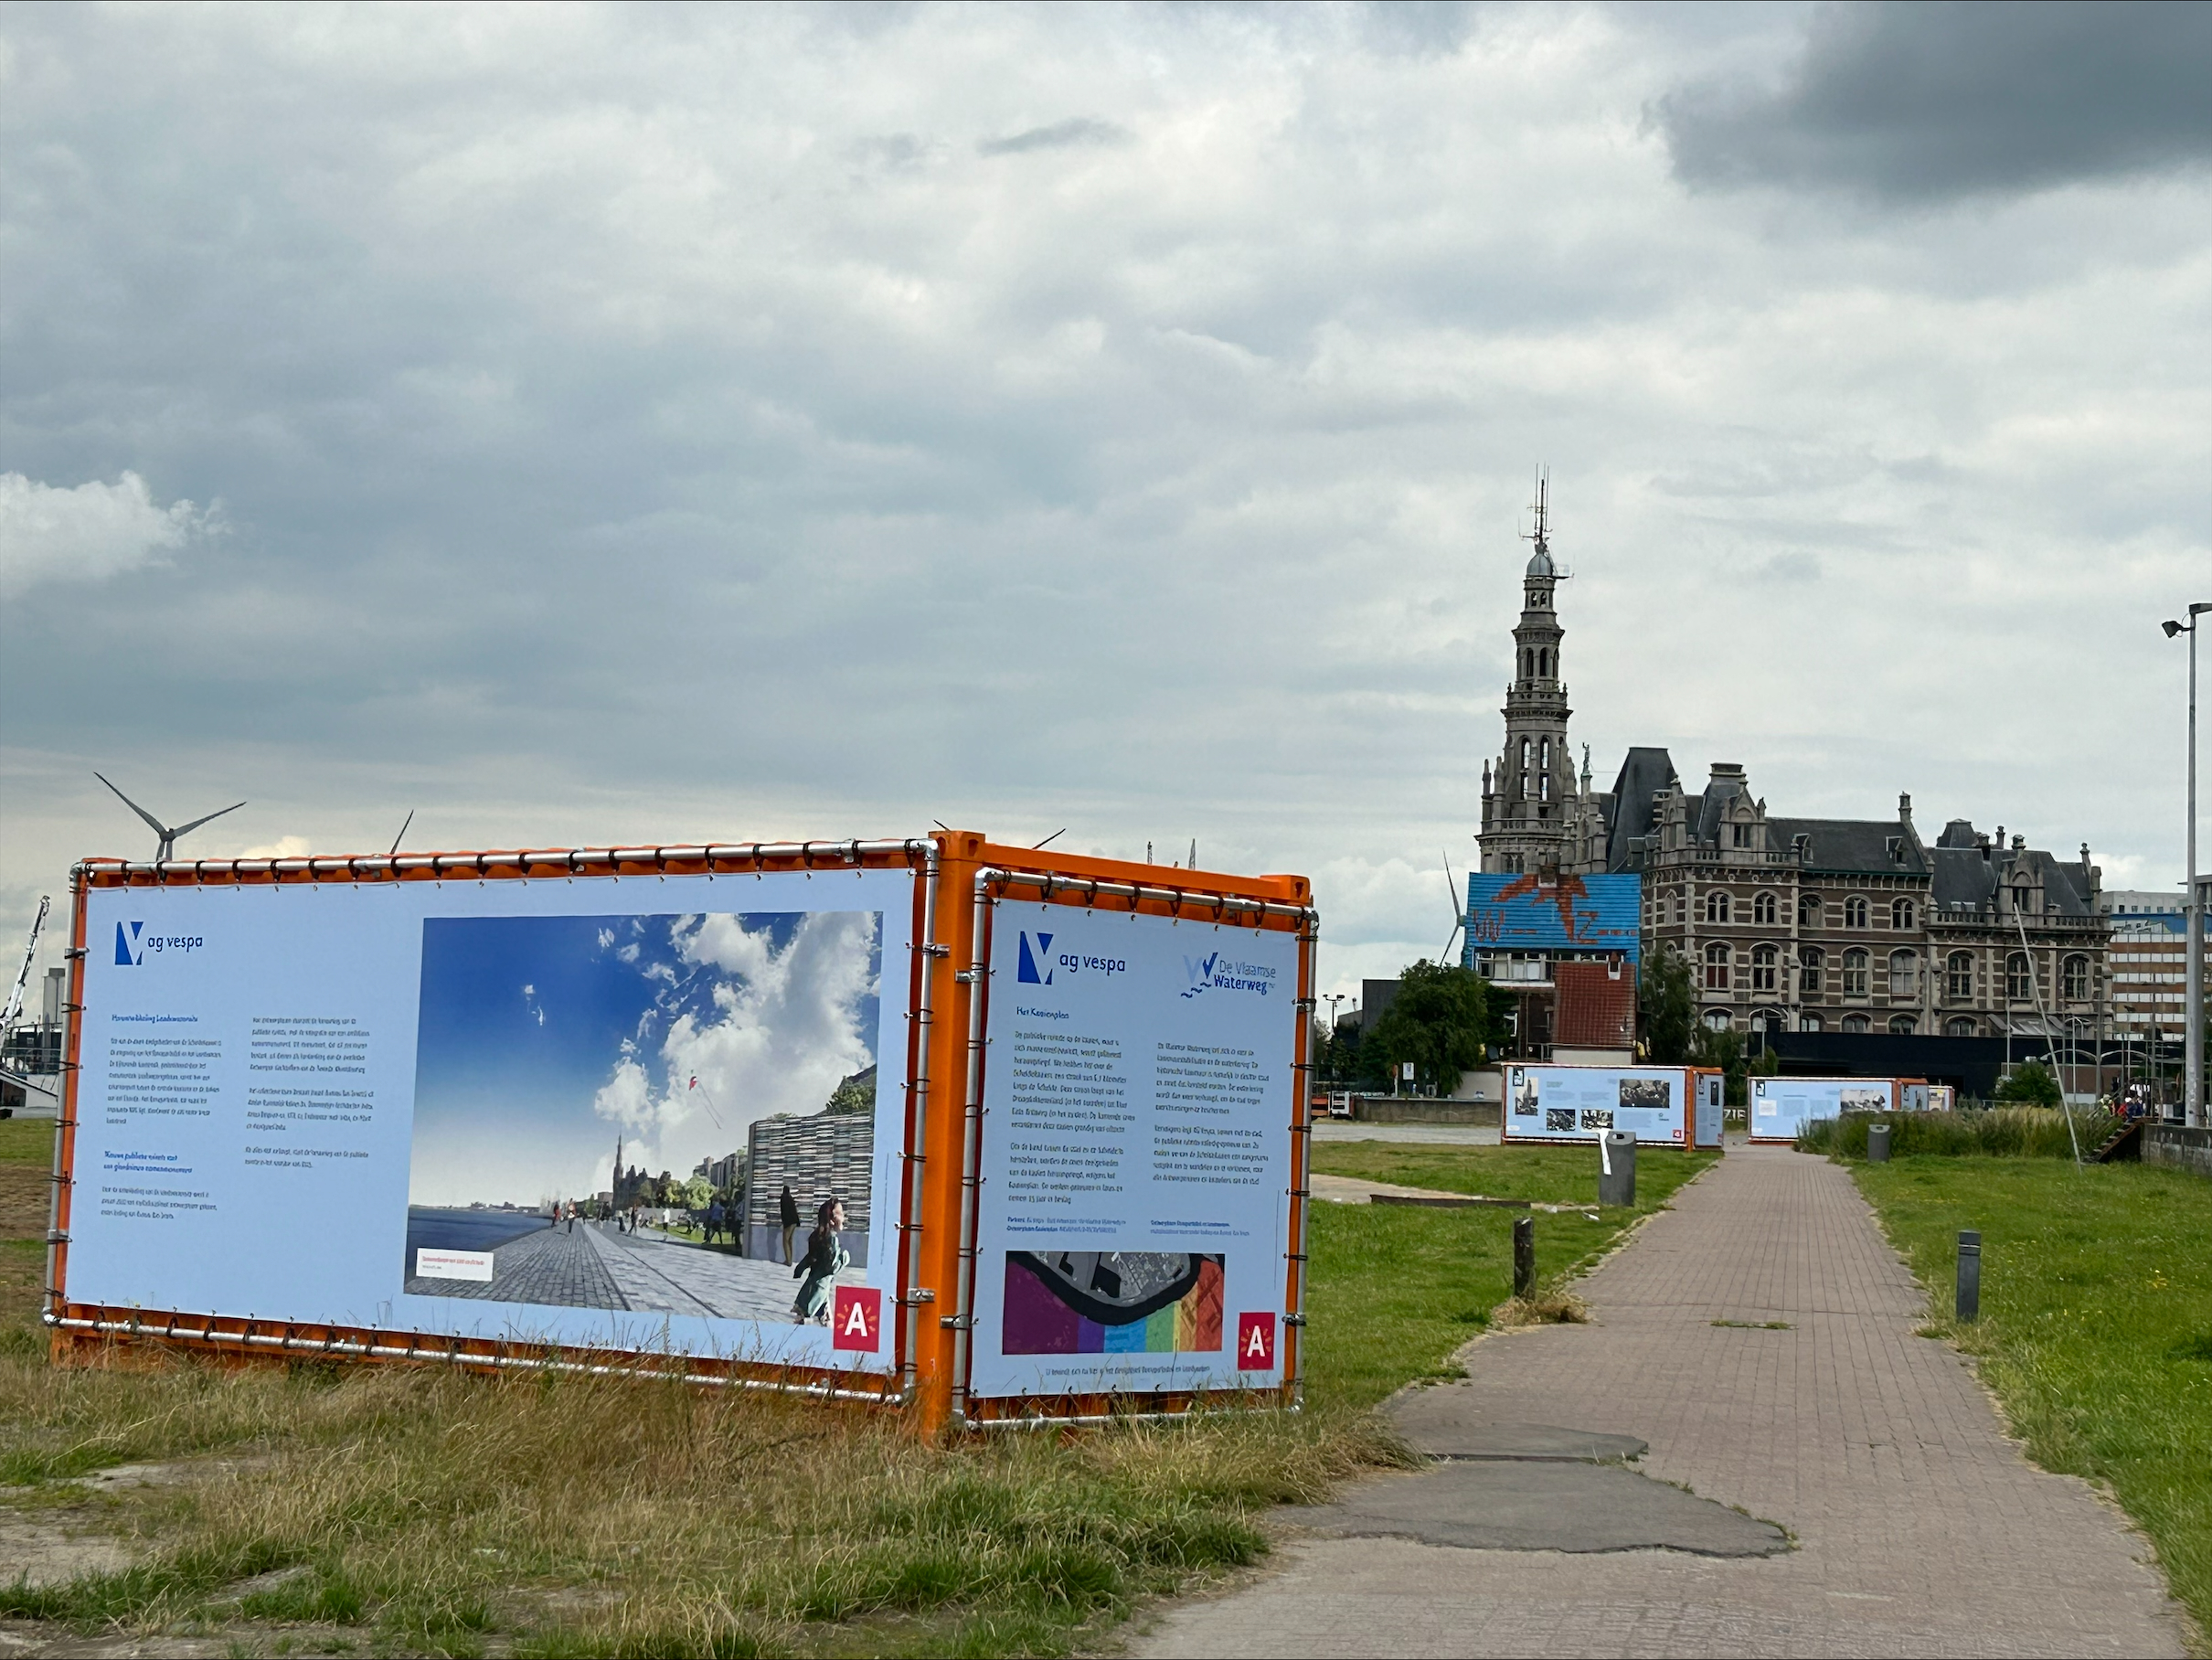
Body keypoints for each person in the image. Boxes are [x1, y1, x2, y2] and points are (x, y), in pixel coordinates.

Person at [791, 1198, 847, 1325]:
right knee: (807, 1319)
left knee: (824, 1320)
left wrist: (800, 1268)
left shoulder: (818, 1236)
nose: (844, 1217)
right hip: (820, 1289)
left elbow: (810, 1258)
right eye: (841, 1213)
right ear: (832, 1220)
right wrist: (844, 1259)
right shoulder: (832, 1239)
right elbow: (831, 1268)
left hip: (813, 1286)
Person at [779, 1185, 800, 1265]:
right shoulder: (790, 1198)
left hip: (789, 1222)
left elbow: (784, 1212)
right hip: (794, 1221)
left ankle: (788, 1261)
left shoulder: (783, 1198)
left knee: (785, 1240)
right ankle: (789, 1259)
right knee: (790, 1240)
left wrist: (785, 1224)